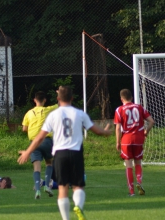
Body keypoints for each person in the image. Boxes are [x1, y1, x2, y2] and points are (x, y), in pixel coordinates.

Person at [18, 86, 112, 220]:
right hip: (76, 153)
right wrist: (105, 132)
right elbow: (96, 130)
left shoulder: (53, 115)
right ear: (72, 98)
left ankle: (66, 219)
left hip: (60, 154)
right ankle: (78, 206)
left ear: (57, 99)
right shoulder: (79, 113)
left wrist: (27, 152)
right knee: (78, 186)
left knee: (63, 188)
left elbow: (39, 138)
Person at [114, 89, 154, 196]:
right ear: (131, 98)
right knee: (138, 163)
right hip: (138, 139)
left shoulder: (119, 110)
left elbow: (118, 128)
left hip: (126, 139)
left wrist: (117, 142)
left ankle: (131, 192)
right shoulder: (139, 107)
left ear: (121, 99)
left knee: (128, 165)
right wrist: (146, 131)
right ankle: (139, 182)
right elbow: (151, 121)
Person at [22, 91, 58, 199]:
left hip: (34, 142)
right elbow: (61, 104)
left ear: (34, 100)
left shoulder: (29, 113)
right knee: (49, 163)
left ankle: (37, 189)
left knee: (36, 167)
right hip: (46, 140)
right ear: (45, 100)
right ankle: (47, 185)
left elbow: (24, 128)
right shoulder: (48, 110)